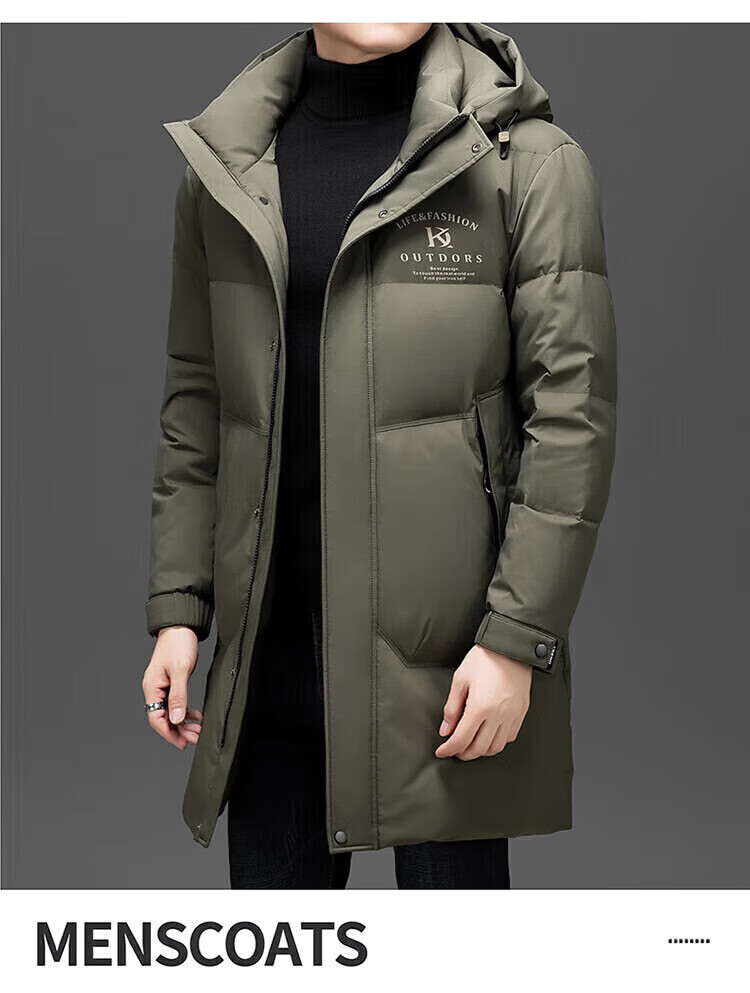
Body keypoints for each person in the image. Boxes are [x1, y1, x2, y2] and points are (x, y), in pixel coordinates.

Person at [142, 22, 617, 889]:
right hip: (270, 674)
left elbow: (571, 418)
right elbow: (200, 404)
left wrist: (517, 640)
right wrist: (181, 608)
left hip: (448, 681)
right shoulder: (227, 166)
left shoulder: (526, 163)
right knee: (281, 955)